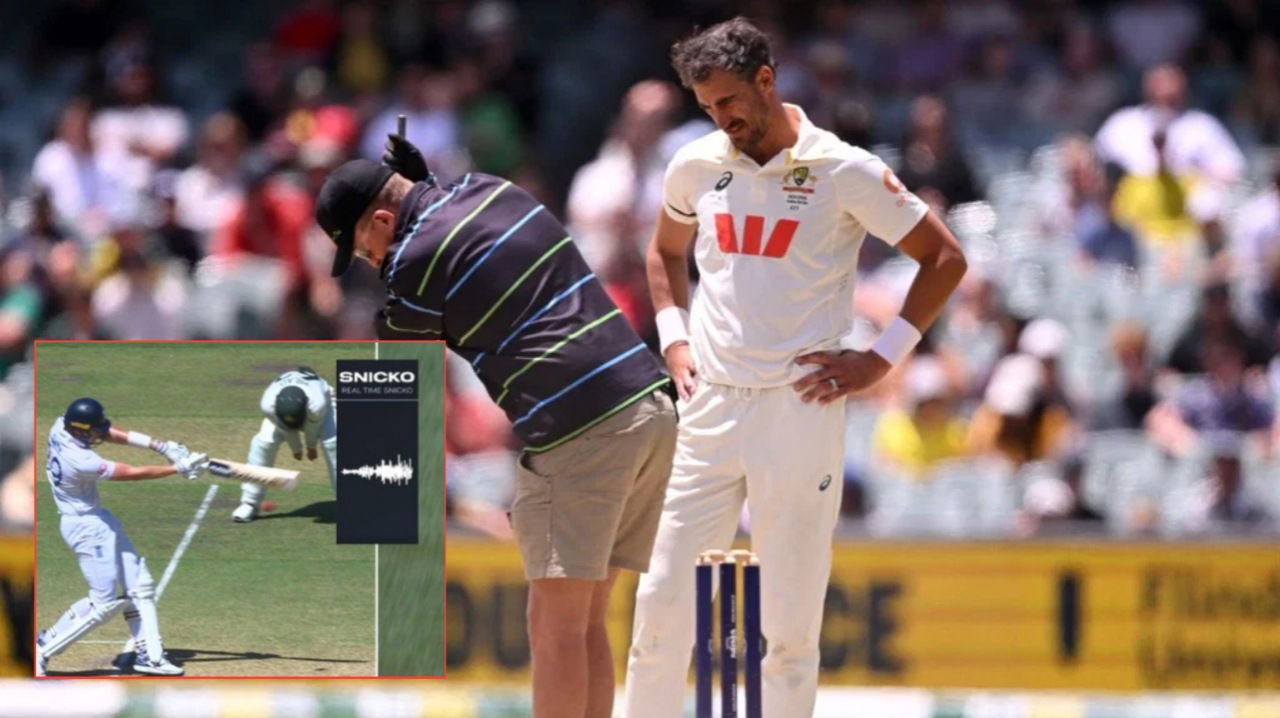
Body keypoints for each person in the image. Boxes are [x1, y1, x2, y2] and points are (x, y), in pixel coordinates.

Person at [623, 17, 967, 718]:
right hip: (710, 405)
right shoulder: (695, 163)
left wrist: (880, 360)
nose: (720, 119)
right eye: (707, 106)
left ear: (766, 80)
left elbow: (944, 258)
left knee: (787, 628)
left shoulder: (843, 169)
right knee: (660, 607)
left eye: (728, 101)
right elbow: (664, 251)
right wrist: (674, 339)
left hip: (799, 406)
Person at [314, 135, 677, 718]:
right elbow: (455, 232)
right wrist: (426, 187)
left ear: (382, 220)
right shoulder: (490, 189)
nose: (371, 263)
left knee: (554, 627)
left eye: (362, 250)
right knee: (585, 620)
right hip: (648, 408)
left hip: (581, 430)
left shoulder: (412, 265)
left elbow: (396, 365)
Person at [36, 398, 208, 676]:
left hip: (97, 519)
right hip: (85, 528)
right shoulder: (81, 461)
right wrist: (178, 468)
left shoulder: (60, 425)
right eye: (94, 430)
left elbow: (107, 432)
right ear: (81, 430)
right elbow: (131, 473)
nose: (100, 434)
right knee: (104, 604)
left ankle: (150, 657)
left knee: (140, 585)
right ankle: (42, 651)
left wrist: (162, 447)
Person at [232, 367, 337, 522]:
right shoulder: (268, 405)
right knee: (263, 444)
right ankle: (249, 503)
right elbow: (286, 428)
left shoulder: (317, 405)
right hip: (283, 410)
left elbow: (312, 428)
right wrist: (296, 449)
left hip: (327, 407)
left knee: (334, 444)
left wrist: (311, 447)